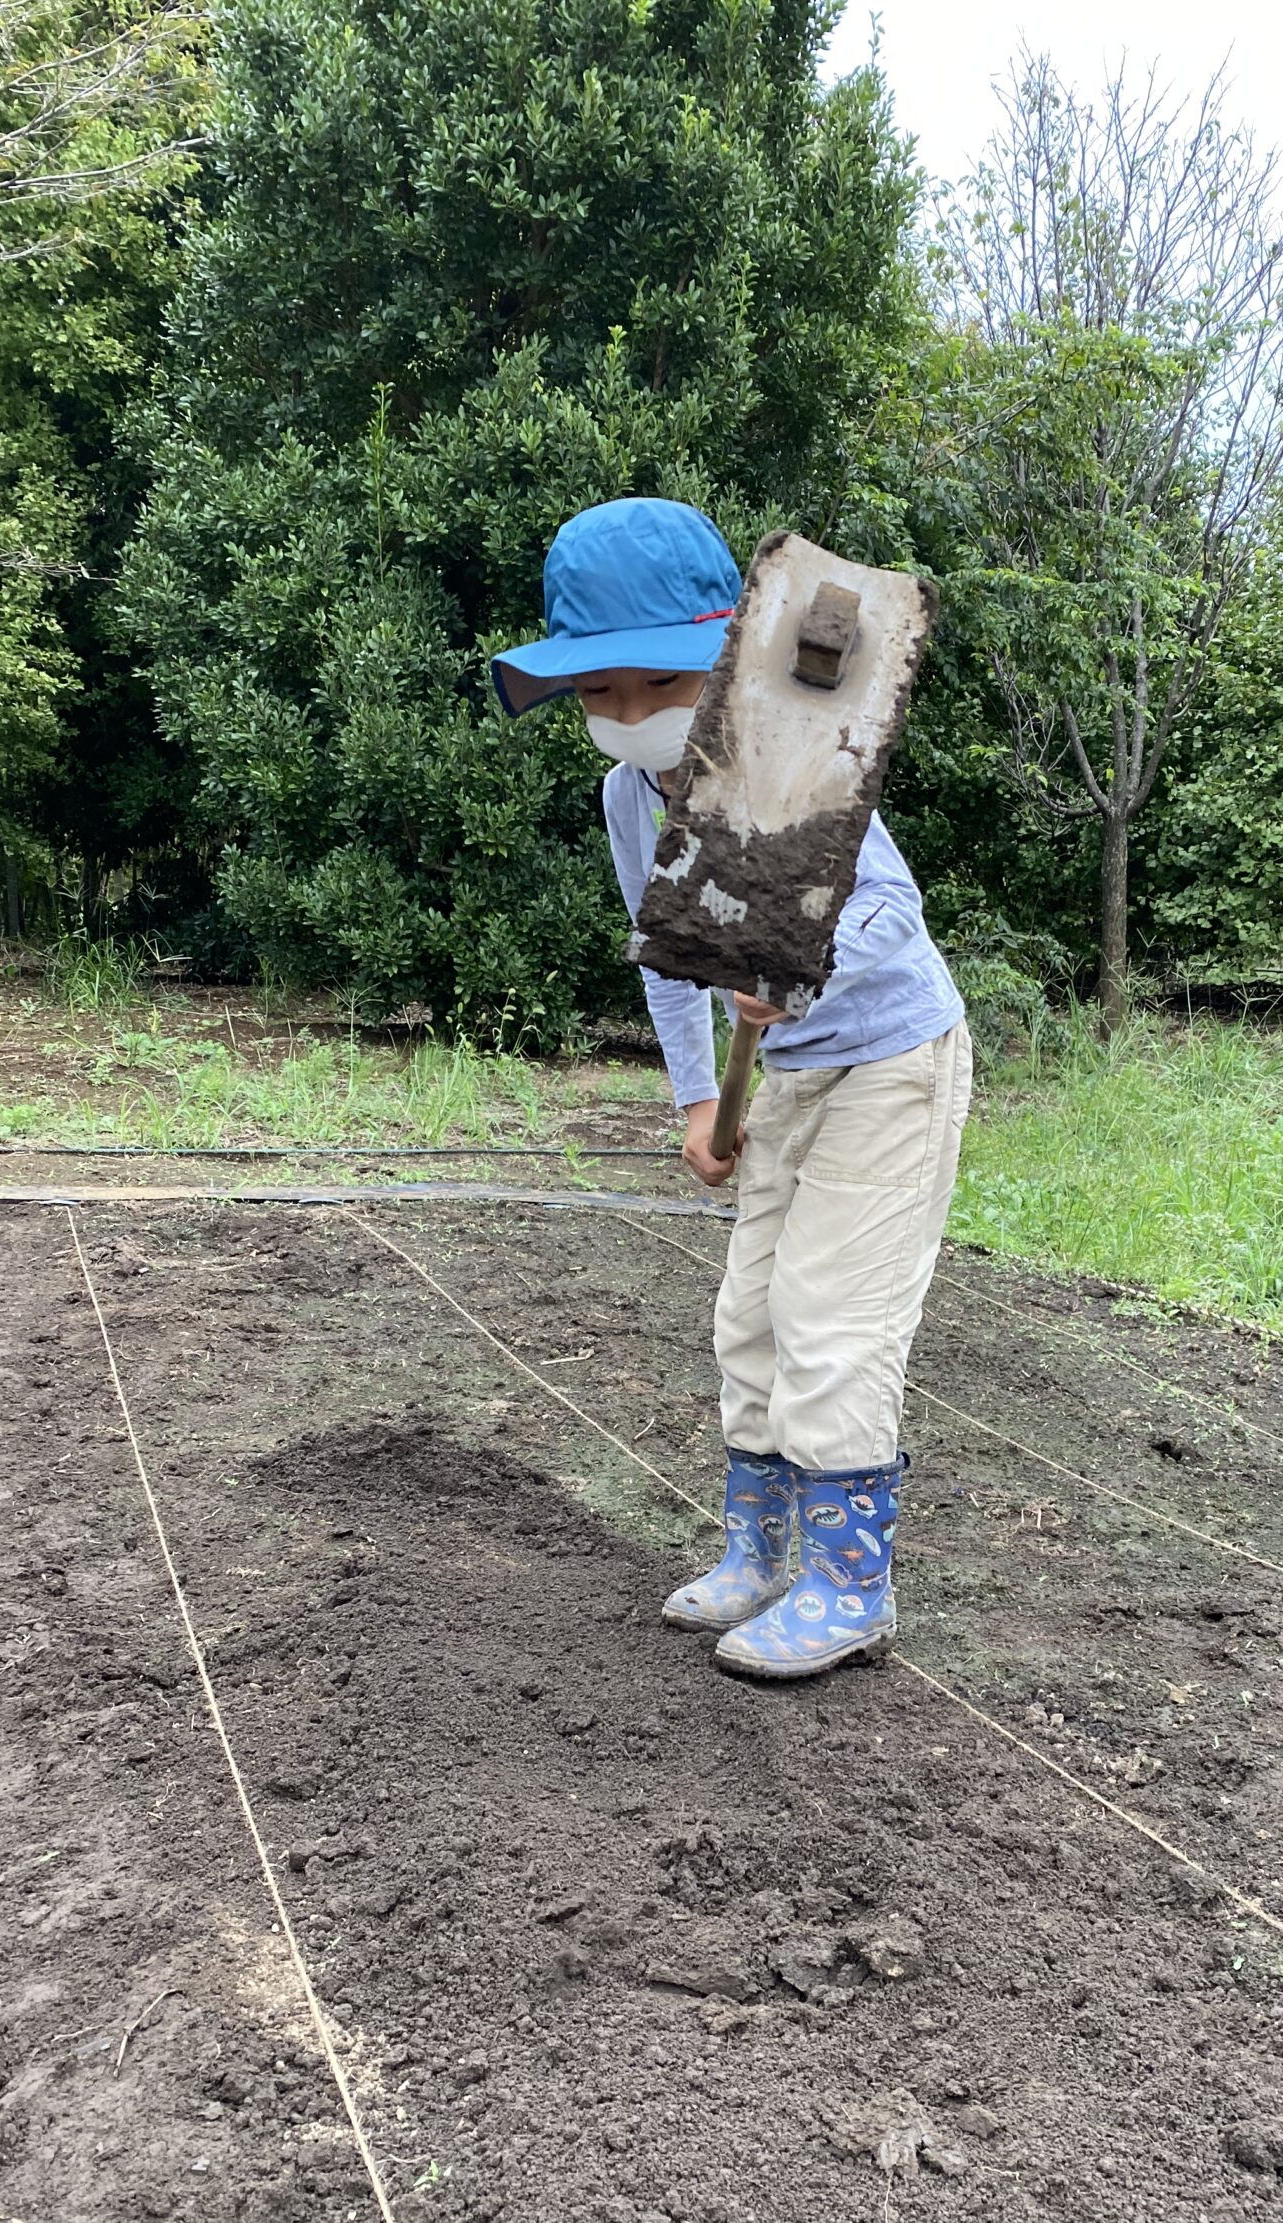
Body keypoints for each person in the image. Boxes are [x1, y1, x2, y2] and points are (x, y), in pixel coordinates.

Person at [492, 496, 969, 1680]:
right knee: (748, 1319)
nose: (626, 717)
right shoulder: (626, 798)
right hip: (792, 1077)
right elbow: (664, 952)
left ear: (724, 655)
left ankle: (852, 1582)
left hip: (889, 1060)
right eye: (597, 696)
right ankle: (759, 1553)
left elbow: (885, 914)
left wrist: (797, 969)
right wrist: (698, 1101)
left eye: (651, 685)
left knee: (830, 1321)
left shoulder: (795, 756)